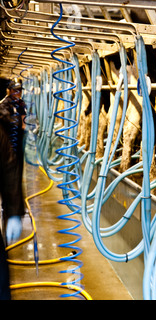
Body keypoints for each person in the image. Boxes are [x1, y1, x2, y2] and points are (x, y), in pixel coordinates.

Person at [0, 79, 27, 300]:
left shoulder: (17, 106)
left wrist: (14, 212)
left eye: (19, 90)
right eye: (14, 90)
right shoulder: (4, 108)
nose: (17, 93)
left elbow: (9, 168)